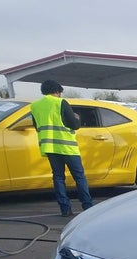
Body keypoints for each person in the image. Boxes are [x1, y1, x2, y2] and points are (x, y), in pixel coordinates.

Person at [29, 79, 93, 217]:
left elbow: (36, 126)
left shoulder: (35, 106)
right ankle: (87, 207)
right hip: (67, 146)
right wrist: (77, 117)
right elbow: (74, 125)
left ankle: (65, 209)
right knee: (79, 177)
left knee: (58, 177)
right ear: (57, 91)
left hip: (50, 147)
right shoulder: (60, 103)